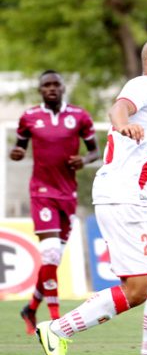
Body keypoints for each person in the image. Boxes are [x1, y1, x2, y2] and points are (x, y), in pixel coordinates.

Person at [35, 36, 147, 355]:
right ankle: (58, 330)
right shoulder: (144, 86)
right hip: (120, 200)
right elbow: (118, 108)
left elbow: (136, 160)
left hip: (138, 198)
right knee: (137, 290)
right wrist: (122, 121)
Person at [11, 70, 99, 335]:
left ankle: (31, 306)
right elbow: (20, 149)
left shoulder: (79, 116)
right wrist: (16, 153)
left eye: (55, 84)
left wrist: (84, 160)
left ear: (63, 88)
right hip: (42, 192)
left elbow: (94, 150)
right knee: (49, 254)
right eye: (46, 85)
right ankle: (56, 321)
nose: (51, 88)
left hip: (67, 194)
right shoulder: (29, 117)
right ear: (40, 90)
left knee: (53, 260)